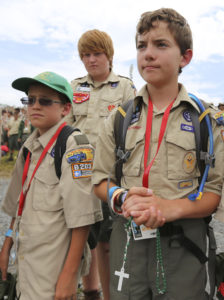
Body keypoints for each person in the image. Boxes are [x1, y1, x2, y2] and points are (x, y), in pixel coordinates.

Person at [92, 8, 224, 300]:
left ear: (185, 57)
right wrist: (122, 197)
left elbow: (214, 192)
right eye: (142, 45)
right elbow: (99, 180)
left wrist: (168, 208)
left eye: (160, 45)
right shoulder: (118, 118)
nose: (148, 54)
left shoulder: (206, 121)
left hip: (184, 247)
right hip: (128, 244)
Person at [0, 71, 102, 300]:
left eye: (45, 101)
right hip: (28, 259)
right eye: (30, 99)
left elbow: (83, 219)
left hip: (52, 267)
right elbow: (18, 202)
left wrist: (69, 276)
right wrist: (6, 244)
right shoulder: (29, 146)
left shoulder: (75, 146)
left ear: (65, 109)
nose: (35, 106)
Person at [65, 29, 136, 300]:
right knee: (83, 237)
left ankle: (109, 295)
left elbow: (133, 130)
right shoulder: (74, 87)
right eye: (86, 55)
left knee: (106, 243)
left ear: (109, 56)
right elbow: (66, 129)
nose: (91, 60)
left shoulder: (126, 87)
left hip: (109, 176)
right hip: (79, 176)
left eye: (97, 54)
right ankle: (90, 292)